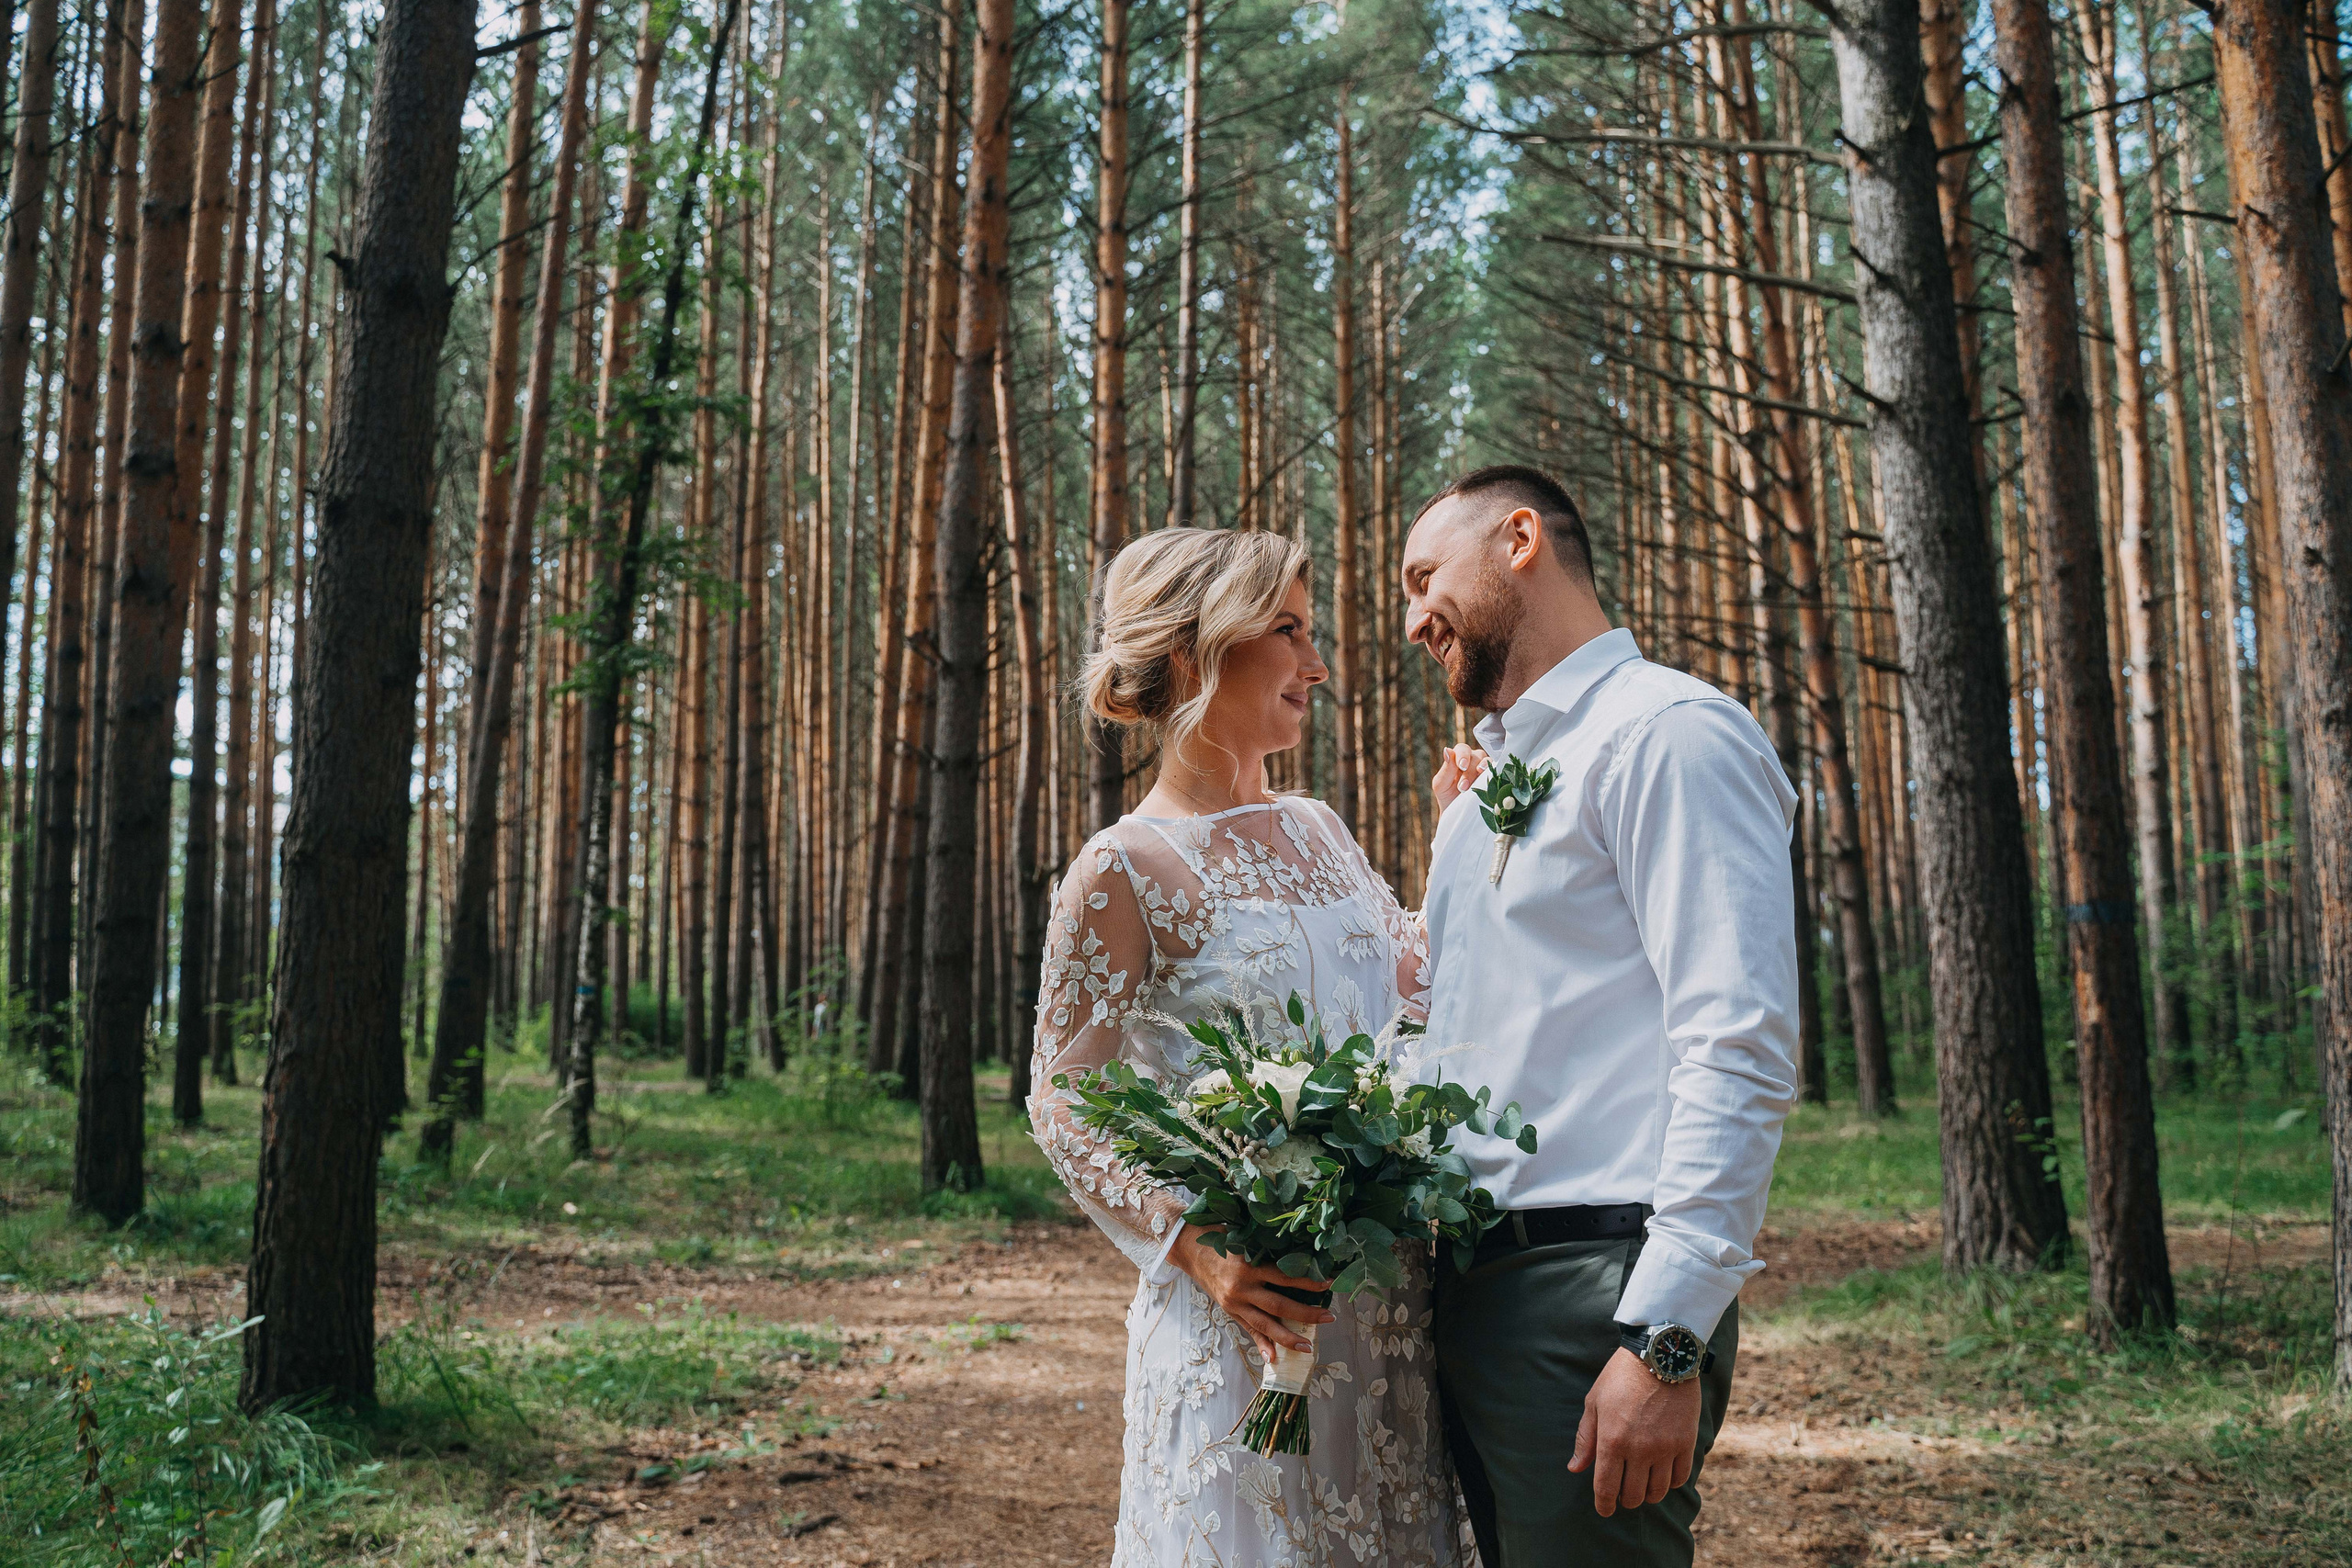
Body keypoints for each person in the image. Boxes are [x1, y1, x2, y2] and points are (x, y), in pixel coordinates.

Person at [1028, 527, 1466, 1567]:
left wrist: (1451, 846)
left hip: (1385, 1311)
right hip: (1241, 1322)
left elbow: (1412, 997)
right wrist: (1195, 1243)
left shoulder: (1319, 828)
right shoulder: (1123, 866)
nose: (1316, 666)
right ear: (1193, 653)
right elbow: (1064, 1094)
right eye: (1288, 632)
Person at [1404, 464, 1799, 1567]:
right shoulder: (1493, 787)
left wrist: (1663, 1340)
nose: (1411, 619)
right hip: (1473, 1286)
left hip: (1594, 1294)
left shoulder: (1668, 733)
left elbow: (1739, 1044)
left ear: (1519, 538)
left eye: (1425, 576)